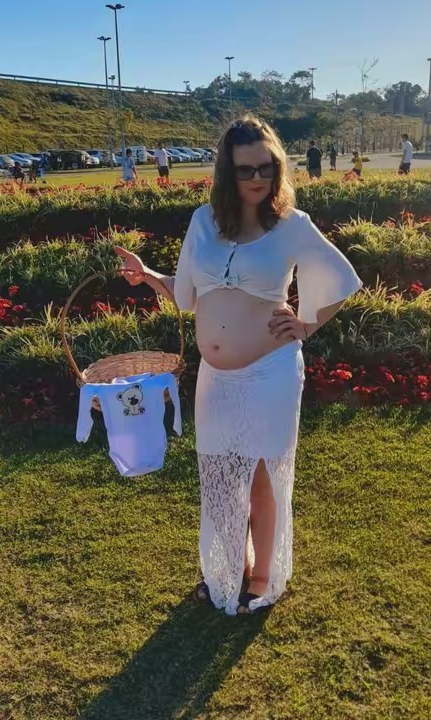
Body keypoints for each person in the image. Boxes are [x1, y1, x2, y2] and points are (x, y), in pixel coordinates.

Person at [114, 116, 361, 616]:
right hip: (215, 379)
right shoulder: (203, 222)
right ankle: (228, 570)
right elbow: (187, 295)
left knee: (262, 475)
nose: (257, 178)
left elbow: (343, 277)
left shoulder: (292, 225)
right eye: (246, 169)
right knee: (221, 477)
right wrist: (148, 275)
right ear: (227, 172)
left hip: (270, 371)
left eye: (267, 167)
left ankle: (263, 576)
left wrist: (307, 325)